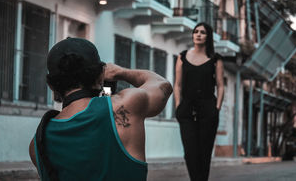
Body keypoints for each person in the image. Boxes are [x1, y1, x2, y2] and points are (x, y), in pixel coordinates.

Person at [28, 37, 173, 181]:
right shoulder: (124, 106)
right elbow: (162, 85)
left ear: (51, 86)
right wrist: (120, 72)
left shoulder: (37, 145)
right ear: (99, 76)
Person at [174, 22, 224, 181]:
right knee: (190, 152)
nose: (198, 34)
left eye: (202, 32)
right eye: (196, 32)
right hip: (187, 109)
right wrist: (178, 106)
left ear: (208, 36)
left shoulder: (215, 59)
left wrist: (216, 108)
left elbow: (221, 86)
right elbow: (177, 85)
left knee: (204, 152)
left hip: (208, 109)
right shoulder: (182, 56)